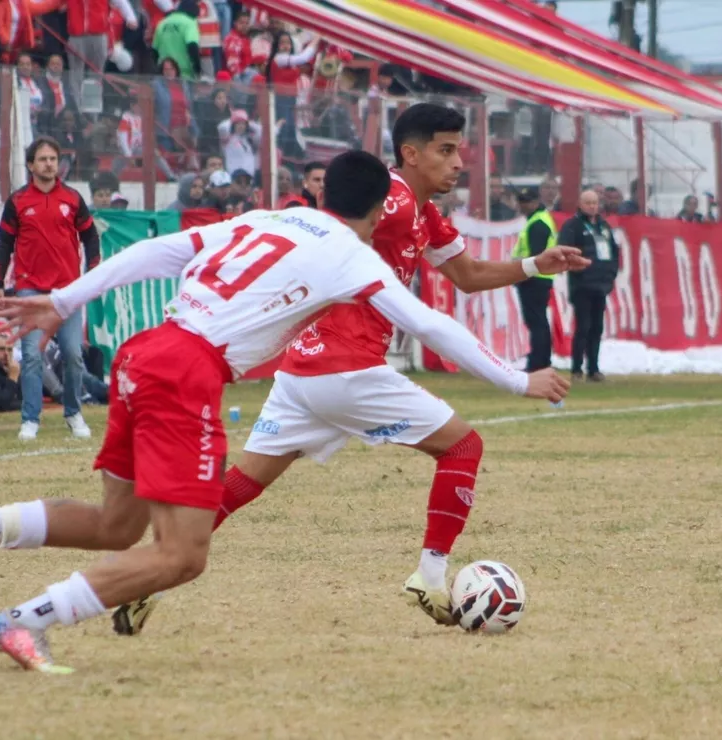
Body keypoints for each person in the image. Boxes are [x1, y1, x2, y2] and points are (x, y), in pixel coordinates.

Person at [0, 150, 571, 673]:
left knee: (116, 525)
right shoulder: (351, 254)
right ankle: (23, 621)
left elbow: (156, 251)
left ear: (323, 193)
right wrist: (517, 380)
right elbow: (430, 324)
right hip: (186, 372)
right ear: (375, 210)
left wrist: (67, 298)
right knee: (183, 556)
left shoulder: (269, 219)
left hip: (145, 352)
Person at [108, 104, 585, 634]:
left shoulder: (422, 213)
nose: (458, 163)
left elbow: (468, 275)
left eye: (459, 150)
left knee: (242, 483)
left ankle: (149, 576)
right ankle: (430, 576)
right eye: (446, 150)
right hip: (346, 368)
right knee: (462, 448)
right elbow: (327, 227)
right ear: (410, 154)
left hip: (302, 372)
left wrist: (533, 265)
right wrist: (518, 379)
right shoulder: (392, 202)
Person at [0, 136, 100, 441]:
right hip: (29, 291)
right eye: (42, 159)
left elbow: (91, 237)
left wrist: (93, 273)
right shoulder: (17, 201)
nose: (49, 164)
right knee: (32, 355)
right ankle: (30, 419)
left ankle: (73, 413)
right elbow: (3, 245)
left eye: (53, 159)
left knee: (73, 354)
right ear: (30, 165)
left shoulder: (73, 199)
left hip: (68, 292)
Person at [559, 190, 619, 381]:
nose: (592, 206)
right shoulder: (573, 226)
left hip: (601, 286)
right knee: (583, 327)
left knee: (597, 327)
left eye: (595, 202)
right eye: (588, 203)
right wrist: (580, 272)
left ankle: (593, 368)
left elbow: (613, 252)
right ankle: (577, 368)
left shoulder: (604, 227)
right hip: (582, 286)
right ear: (580, 204)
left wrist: (610, 275)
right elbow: (565, 251)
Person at [512, 185, 559, 373]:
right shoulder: (539, 219)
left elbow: (535, 256)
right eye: (521, 202)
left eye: (527, 202)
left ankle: (537, 362)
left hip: (533, 278)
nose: (523, 206)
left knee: (536, 322)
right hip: (539, 277)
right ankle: (542, 360)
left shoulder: (538, 223)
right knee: (539, 321)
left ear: (536, 202)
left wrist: (521, 275)